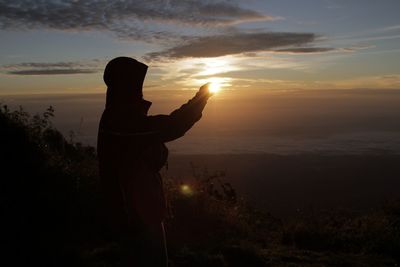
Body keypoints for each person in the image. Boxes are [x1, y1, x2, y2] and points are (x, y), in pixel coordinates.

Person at [97, 57, 212, 266]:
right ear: (127, 86)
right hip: (135, 219)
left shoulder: (121, 118)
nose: (141, 91)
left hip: (142, 213)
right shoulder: (121, 122)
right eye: (136, 85)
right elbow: (170, 127)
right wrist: (200, 99)